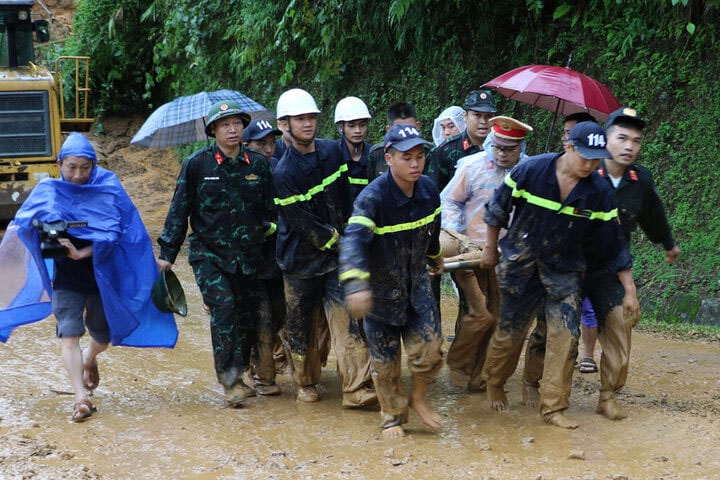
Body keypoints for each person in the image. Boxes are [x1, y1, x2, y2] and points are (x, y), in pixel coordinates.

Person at [0, 132, 177, 422]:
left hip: (101, 278)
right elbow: (24, 227)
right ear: (60, 164)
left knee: (102, 336)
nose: (78, 174)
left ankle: (89, 358)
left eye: (85, 167)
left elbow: (125, 233)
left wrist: (84, 253)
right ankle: (81, 398)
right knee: (69, 335)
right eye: (71, 167)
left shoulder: (108, 188)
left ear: (94, 165)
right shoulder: (48, 191)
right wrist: (47, 235)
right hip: (65, 280)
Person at [480, 121, 639, 429]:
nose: (591, 164)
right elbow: (497, 209)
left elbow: (613, 242)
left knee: (565, 335)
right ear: (568, 147)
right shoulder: (532, 171)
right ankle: (495, 382)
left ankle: (553, 406)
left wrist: (628, 288)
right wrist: (489, 248)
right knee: (509, 335)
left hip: (565, 272)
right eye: (585, 156)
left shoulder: (599, 190)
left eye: (597, 158)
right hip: (520, 266)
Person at [523, 108, 679, 421]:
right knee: (554, 330)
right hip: (567, 267)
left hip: (609, 268)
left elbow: (652, 215)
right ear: (604, 138)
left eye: (635, 140)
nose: (629, 146)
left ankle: (608, 396)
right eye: (621, 137)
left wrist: (667, 243)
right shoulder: (582, 172)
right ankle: (538, 387)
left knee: (622, 325)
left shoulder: (640, 180)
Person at [157, 100, 275, 408]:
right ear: (213, 131)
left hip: (249, 256)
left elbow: (270, 209)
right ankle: (230, 379)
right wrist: (167, 252)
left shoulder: (258, 165)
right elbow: (178, 209)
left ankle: (240, 372)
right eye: (225, 125)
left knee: (247, 317)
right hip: (209, 255)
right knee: (223, 310)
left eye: (236, 123)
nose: (232, 129)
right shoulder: (198, 165)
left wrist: (269, 237)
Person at [273, 88, 376, 407]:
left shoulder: (333, 153)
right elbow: (303, 224)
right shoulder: (283, 173)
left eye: (311, 118)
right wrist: (340, 242)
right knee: (300, 326)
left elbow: (346, 198)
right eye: (300, 119)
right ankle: (305, 381)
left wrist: (354, 234)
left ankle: (357, 387)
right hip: (299, 262)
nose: (307, 124)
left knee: (347, 319)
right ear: (283, 124)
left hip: (335, 259)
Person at [340, 124, 444, 437]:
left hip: (417, 287)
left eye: (419, 156)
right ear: (388, 158)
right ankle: (392, 416)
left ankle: (419, 398)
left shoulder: (428, 190)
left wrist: (435, 256)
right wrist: (356, 285)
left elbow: (433, 230)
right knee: (385, 364)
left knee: (431, 349)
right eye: (406, 157)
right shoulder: (372, 198)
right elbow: (353, 241)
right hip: (380, 294)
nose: (415, 164)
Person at [440, 116, 532, 392]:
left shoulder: (529, 171)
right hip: (471, 251)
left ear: (521, 147)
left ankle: (482, 375)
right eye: (499, 147)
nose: (502, 154)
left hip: (510, 256)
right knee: (479, 313)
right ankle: (459, 365)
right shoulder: (471, 166)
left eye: (510, 149)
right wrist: (458, 236)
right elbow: (450, 201)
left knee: (501, 316)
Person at [242, 117, 286, 395]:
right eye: (261, 144)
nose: (269, 149)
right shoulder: (238, 176)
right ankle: (261, 376)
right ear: (246, 146)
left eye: (272, 143)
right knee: (261, 319)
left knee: (279, 315)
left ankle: (257, 366)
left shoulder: (280, 172)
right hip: (249, 262)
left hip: (278, 260)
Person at [425, 89, 497, 192]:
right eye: (477, 115)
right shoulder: (446, 150)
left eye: (489, 116)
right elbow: (434, 192)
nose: (483, 121)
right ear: (465, 116)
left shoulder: (502, 148)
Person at [367, 102, 421, 179]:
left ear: (417, 126)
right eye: (399, 130)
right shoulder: (377, 153)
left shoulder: (428, 151)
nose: (405, 134)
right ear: (388, 129)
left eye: (409, 128)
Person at [334, 96, 373, 200]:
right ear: (341, 127)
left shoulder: (374, 154)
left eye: (362, 125)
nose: (358, 130)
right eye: (351, 126)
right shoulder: (332, 155)